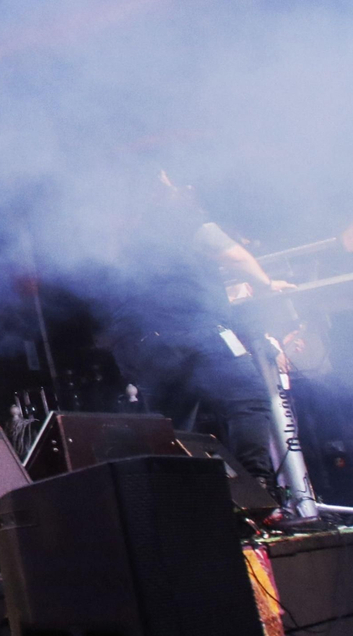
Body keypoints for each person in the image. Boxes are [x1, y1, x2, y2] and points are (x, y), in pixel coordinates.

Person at [97, 170, 290, 499]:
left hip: (138, 345)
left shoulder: (123, 234)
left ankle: (187, 503)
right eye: (172, 183)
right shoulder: (180, 219)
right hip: (192, 331)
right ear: (158, 190)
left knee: (174, 425)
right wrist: (268, 284)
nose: (183, 188)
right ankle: (258, 489)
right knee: (249, 400)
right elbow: (236, 256)